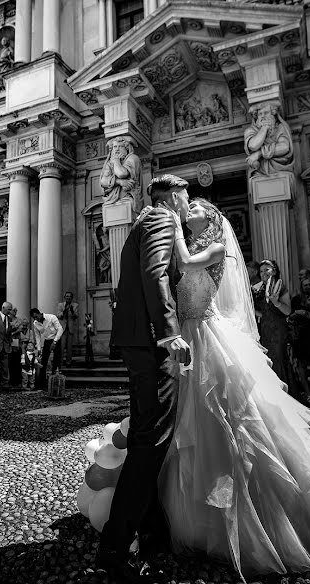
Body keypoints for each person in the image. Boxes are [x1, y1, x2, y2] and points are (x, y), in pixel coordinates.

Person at [155, 200, 310, 579]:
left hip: (207, 334)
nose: (186, 210)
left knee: (228, 414)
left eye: (193, 208)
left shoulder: (215, 248)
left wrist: (171, 226)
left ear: (209, 218)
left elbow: (189, 267)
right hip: (185, 334)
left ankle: (255, 516)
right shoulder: (189, 245)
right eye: (185, 208)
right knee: (185, 419)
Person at [96, 174, 192, 580]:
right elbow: (156, 275)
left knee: (145, 437)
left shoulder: (144, 219)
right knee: (152, 440)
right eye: (186, 196)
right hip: (152, 345)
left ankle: (150, 531)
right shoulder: (163, 219)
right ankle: (115, 550)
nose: (189, 204)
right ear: (173, 196)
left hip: (137, 341)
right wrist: (169, 332)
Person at [253, 259, 291, 379]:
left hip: (278, 329)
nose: (264, 273)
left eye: (267, 270)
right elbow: (264, 314)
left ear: (273, 271)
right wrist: (252, 311)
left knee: (278, 359)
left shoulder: (280, 287)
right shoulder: (258, 289)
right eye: (261, 271)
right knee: (268, 359)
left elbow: (288, 311)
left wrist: (276, 303)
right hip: (265, 329)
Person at [289, 278, 310, 404]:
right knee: (302, 364)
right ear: (301, 286)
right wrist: (304, 308)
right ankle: (308, 393)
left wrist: (309, 310)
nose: (308, 286)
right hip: (300, 335)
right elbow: (291, 316)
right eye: (305, 285)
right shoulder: (296, 299)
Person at [30, 308, 64, 389]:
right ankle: (42, 384)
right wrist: (38, 348)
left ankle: (54, 381)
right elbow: (37, 336)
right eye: (34, 318)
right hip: (47, 341)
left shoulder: (51, 317)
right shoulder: (35, 323)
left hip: (56, 339)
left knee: (56, 360)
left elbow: (60, 329)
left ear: (39, 313)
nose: (36, 319)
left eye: (36, 317)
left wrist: (55, 342)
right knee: (43, 362)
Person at [57, 291, 79, 367]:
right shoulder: (60, 305)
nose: (68, 297)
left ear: (71, 298)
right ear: (64, 297)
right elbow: (59, 316)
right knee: (62, 346)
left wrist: (72, 310)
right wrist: (65, 310)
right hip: (63, 328)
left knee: (69, 347)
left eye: (70, 296)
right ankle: (60, 362)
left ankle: (68, 362)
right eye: (67, 296)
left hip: (70, 328)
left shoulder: (75, 305)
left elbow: (76, 316)